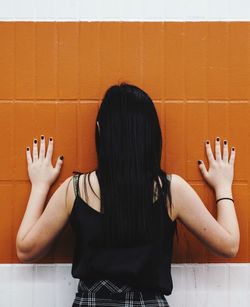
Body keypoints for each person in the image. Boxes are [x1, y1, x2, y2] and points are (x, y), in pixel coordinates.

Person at [16, 83, 240, 307]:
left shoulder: (75, 189)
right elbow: (229, 246)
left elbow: (25, 250)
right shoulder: (171, 190)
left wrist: (40, 185)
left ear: (100, 130)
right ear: (151, 135)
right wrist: (223, 186)